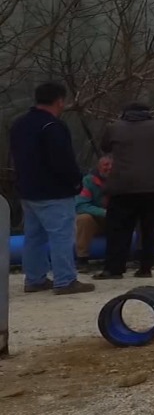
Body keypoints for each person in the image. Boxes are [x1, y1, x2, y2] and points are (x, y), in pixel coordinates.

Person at [9, 82, 94, 295]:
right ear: (59, 101)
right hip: (54, 192)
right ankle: (65, 280)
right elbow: (63, 161)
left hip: (28, 190)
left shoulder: (19, 124)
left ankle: (35, 279)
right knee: (62, 236)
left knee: (33, 237)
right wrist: (76, 181)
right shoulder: (53, 126)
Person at [96, 103, 154, 280]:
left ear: (124, 113)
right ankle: (145, 267)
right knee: (149, 229)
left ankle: (114, 269)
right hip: (153, 187)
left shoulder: (113, 127)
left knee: (118, 228)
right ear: (147, 113)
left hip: (122, 186)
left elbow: (105, 147)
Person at [74, 154, 113, 268]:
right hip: (98, 220)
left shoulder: (122, 180)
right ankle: (82, 258)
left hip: (117, 220)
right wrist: (105, 213)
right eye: (106, 165)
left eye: (112, 165)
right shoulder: (88, 181)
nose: (110, 168)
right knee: (83, 218)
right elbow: (81, 205)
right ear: (99, 167)